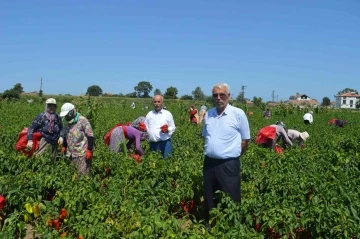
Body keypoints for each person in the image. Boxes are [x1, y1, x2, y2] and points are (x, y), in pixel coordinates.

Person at [202, 83, 251, 226]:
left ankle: (232, 227)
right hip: (209, 163)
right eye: (215, 95)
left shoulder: (238, 114)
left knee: (231, 196)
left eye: (222, 94)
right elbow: (206, 137)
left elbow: (246, 140)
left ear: (228, 96)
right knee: (209, 195)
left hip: (228, 164)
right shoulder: (209, 114)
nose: (218, 98)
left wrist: (234, 155)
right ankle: (210, 224)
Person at [58, 103, 94, 176]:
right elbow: (66, 135)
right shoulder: (66, 122)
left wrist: (89, 150)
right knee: (73, 175)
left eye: (67, 115)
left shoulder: (82, 120)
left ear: (72, 111)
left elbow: (90, 136)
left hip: (82, 153)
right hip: (70, 154)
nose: (67, 117)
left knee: (83, 175)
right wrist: (64, 146)